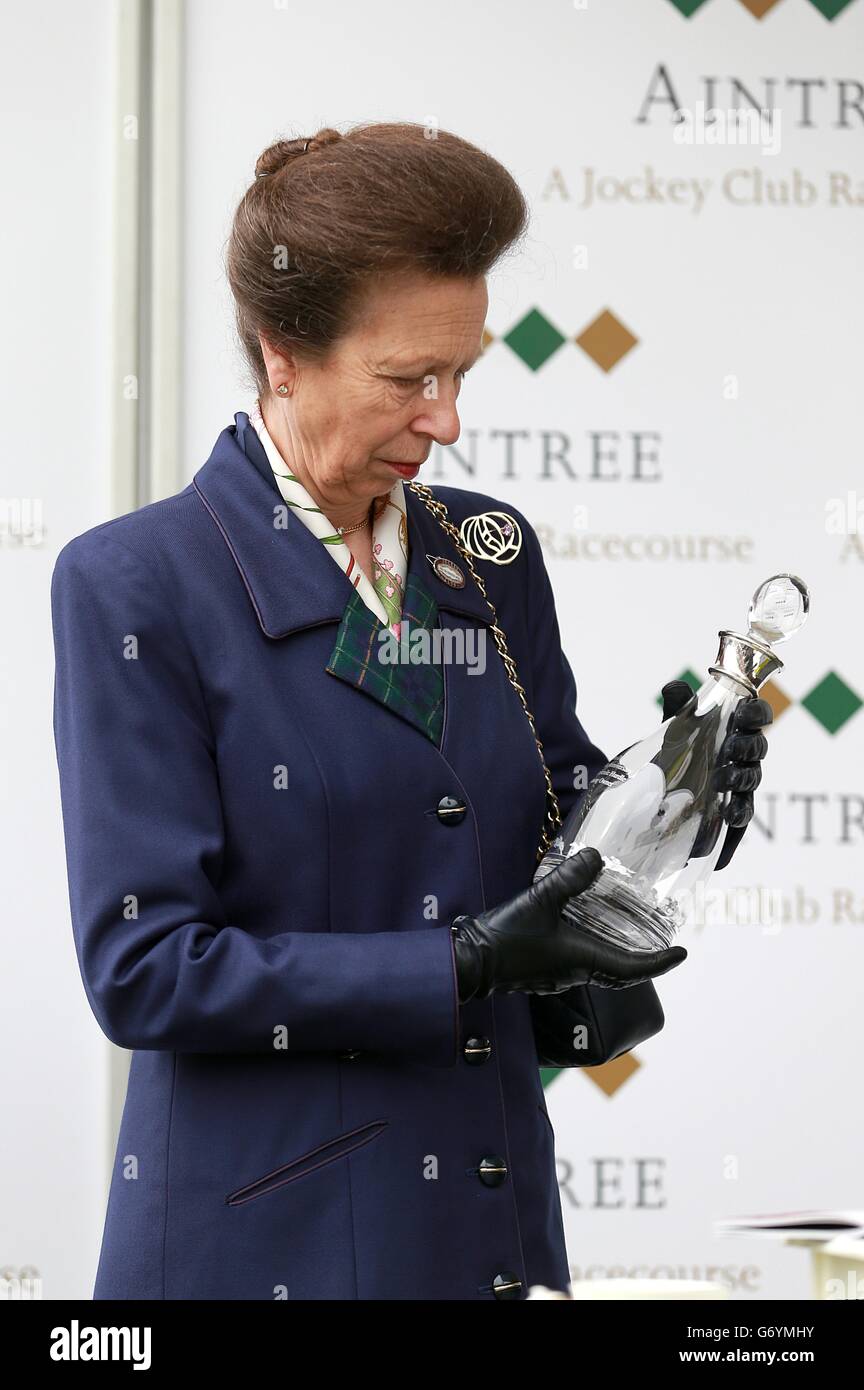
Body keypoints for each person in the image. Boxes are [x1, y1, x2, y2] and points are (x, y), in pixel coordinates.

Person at [50, 122, 770, 1302]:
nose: (445, 421)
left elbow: (554, 836)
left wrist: (671, 788)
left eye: (461, 375)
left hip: (486, 1238)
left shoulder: (489, 555)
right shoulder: (137, 585)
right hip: (264, 1252)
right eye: (407, 381)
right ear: (283, 353)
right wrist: (463, 961)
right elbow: (145, 968)